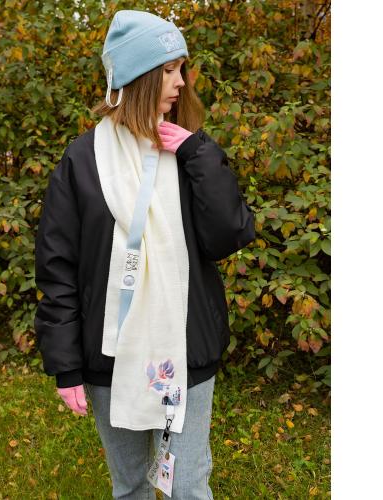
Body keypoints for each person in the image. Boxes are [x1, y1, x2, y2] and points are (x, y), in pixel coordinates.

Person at [34, 9, 255, 499]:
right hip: (109, 357)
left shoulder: (188, 151)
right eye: (169, 70)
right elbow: (58, 268)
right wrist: (65, 364)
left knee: (188, 485)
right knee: (130, 485)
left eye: (182, 69)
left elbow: (229, 235)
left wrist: (200, 156)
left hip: (184, 350)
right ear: (138, 78)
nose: (181, 82)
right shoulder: (82, 160)